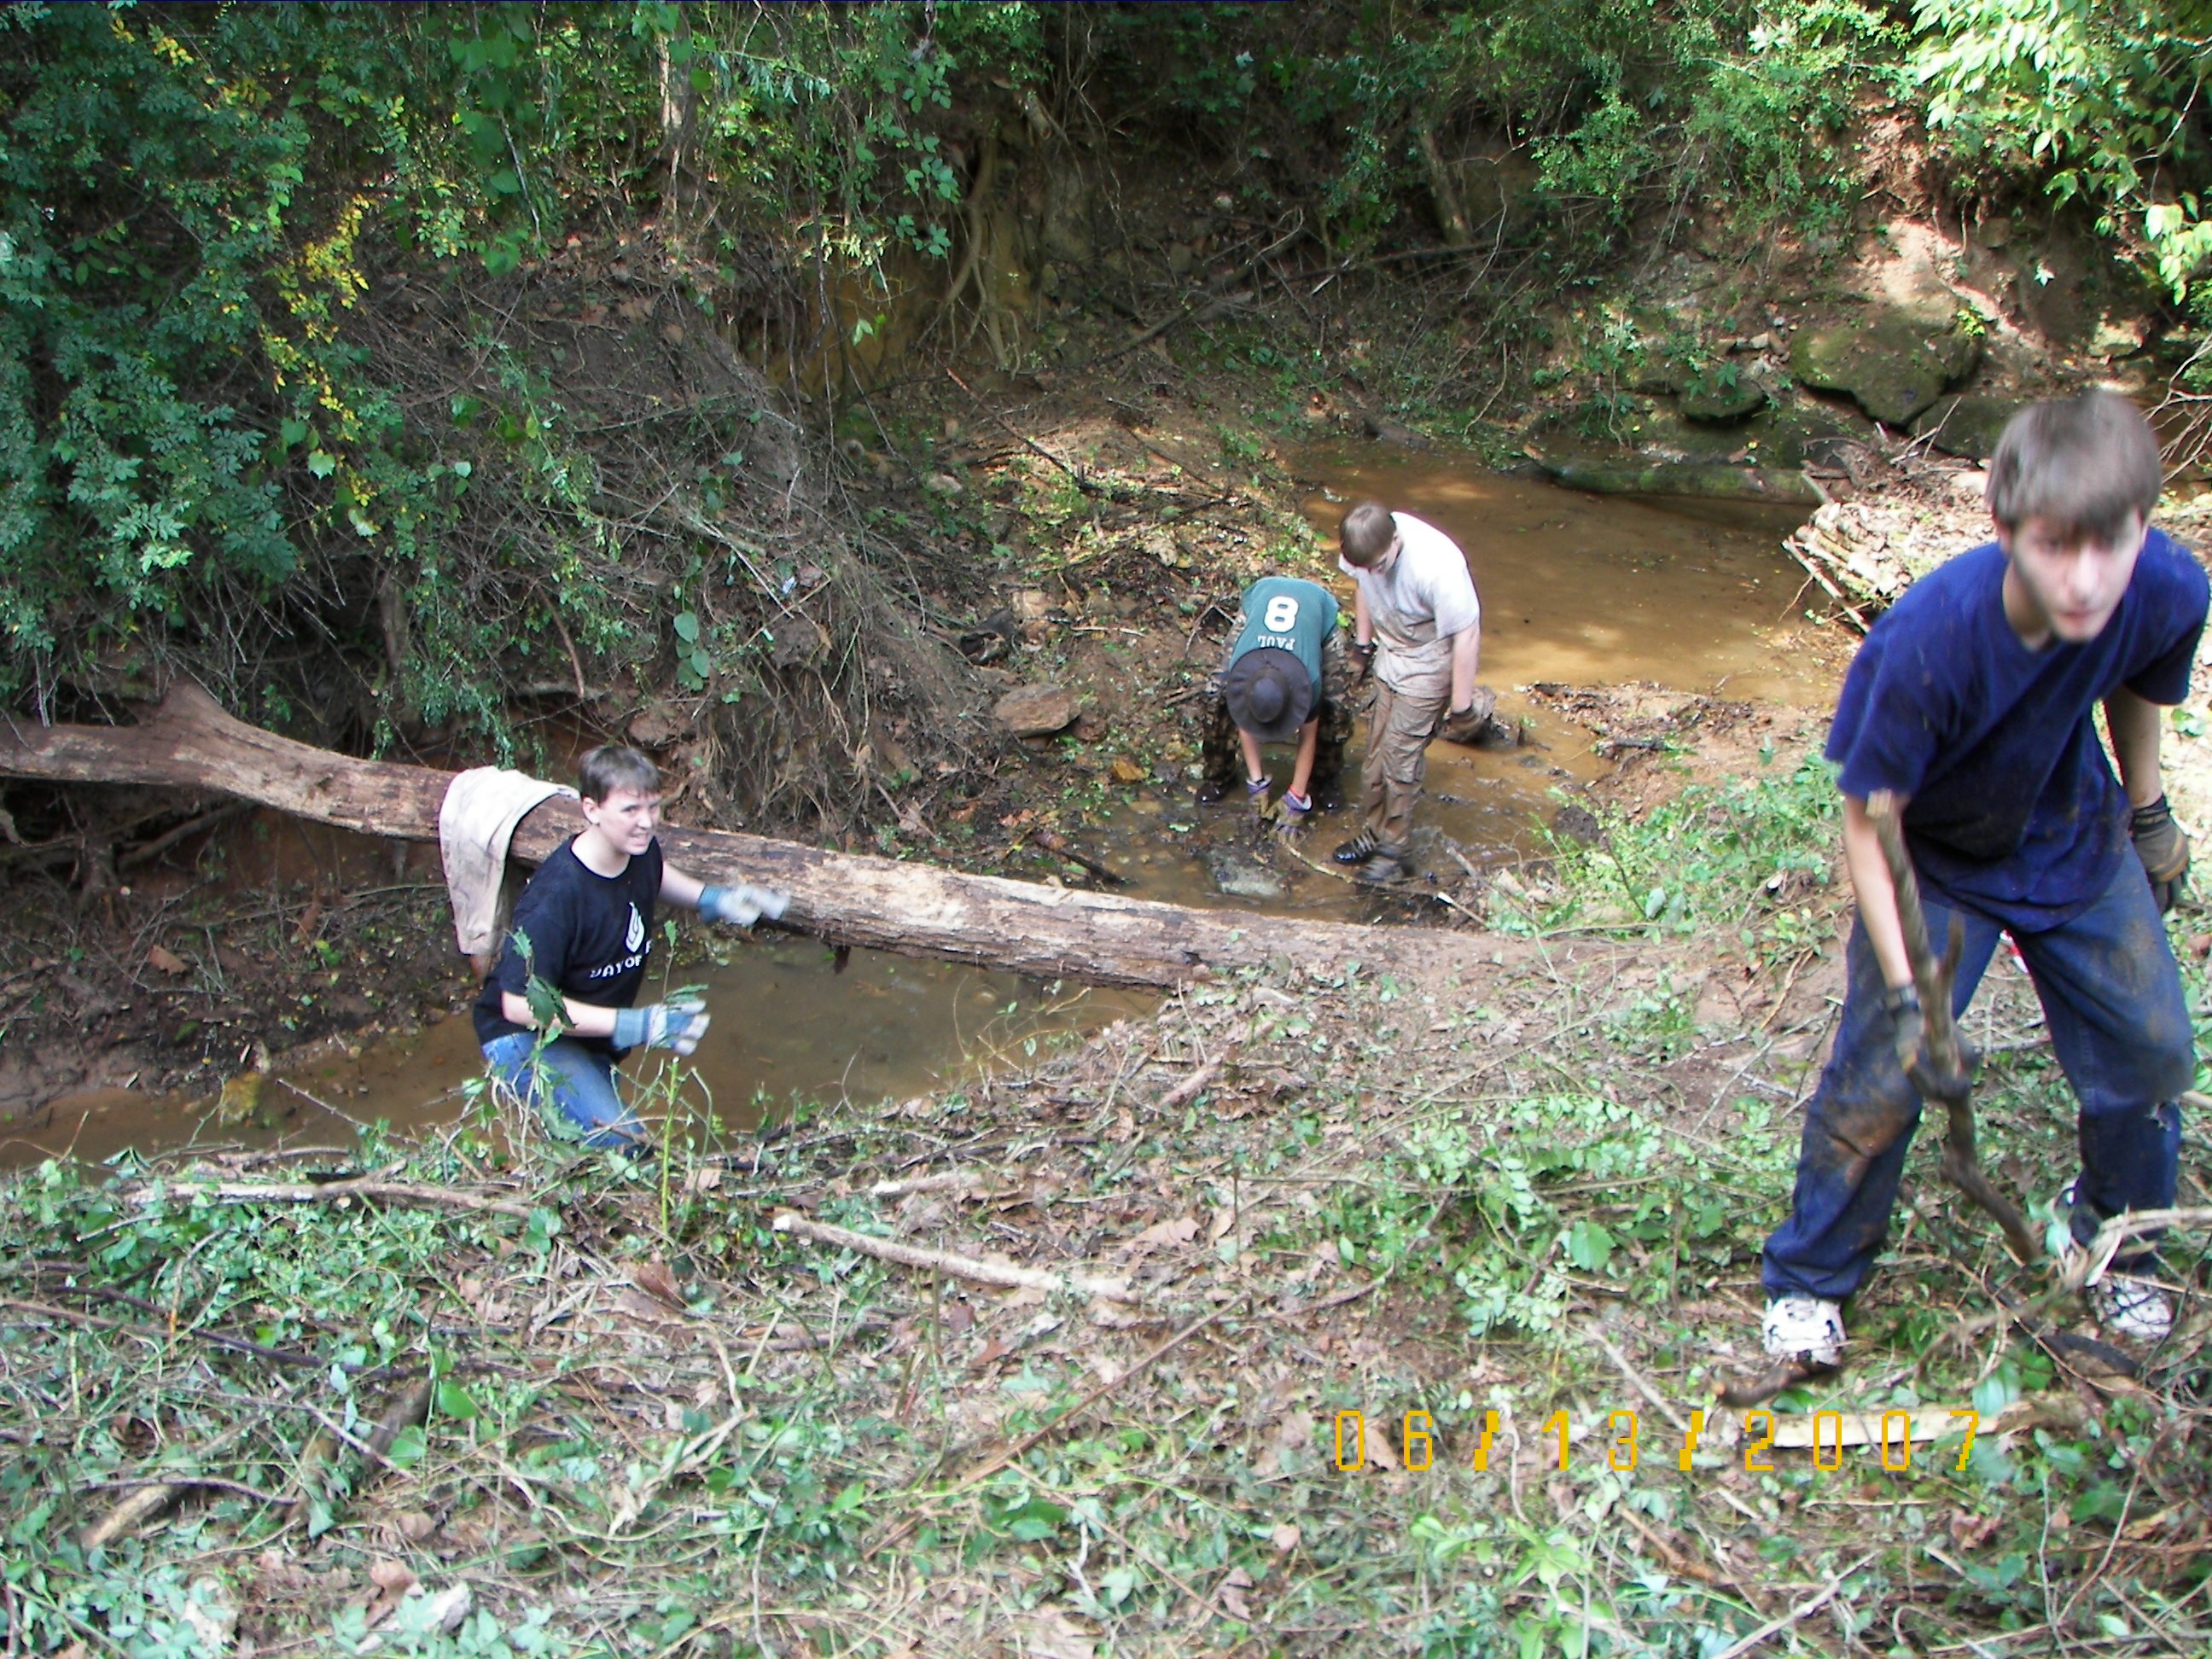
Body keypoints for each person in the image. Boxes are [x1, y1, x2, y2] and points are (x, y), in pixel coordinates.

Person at [1761, 389, 2204, 1370]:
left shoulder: (2169, 587)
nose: (2086, 579)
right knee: (1882, 1075)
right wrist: (1915, 985)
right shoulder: (1929, 643)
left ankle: (2120, 1245)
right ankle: (1810, 1280)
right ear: (2005, 529)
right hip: (1937, 864)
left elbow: (2138, 682)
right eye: (2055, 547)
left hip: (2072, 833)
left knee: (2153, 1049)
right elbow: (1868, 821)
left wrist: (2148, 811)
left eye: (2110, 545)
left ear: (2145, 523)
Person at [472, 745, 790, 1150]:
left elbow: (655, 875)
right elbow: (518, 1006)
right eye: (629, 811)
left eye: (653, 808)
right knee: (627, 1145)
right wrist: (637, 1026)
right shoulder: (554, 900)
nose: (645, 823)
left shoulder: (637, 851)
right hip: (524, 1041)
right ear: (591, 809)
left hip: (588, 1036)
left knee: (589, 1143)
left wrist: (714, 899)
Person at [1330, 500, 1494, 884]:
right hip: (1392, 650)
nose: (1372, 572)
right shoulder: (1365, 553)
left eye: (1380, 565)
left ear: (1396, 541)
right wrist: (1362, 645)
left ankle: (1395, 850)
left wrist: (1461, 705)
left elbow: (1467, 632)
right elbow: (1363, 585)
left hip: (1429, 657)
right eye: (1365, 566)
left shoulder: (1437, 566)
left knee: (1400, 762)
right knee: (1374, 759)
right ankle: (1375, 832)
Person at [1196, 574, 1353, 830]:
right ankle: (1219, 775)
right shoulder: (1241, 673)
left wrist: (1296, 798)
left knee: (1336, 712)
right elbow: (1244, 719)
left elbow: (1307, 736)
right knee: (1216, 695)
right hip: (1261, 601)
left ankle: (1325, 778)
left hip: (1316, 610)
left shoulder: (1309, 680)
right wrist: (1257, 785)